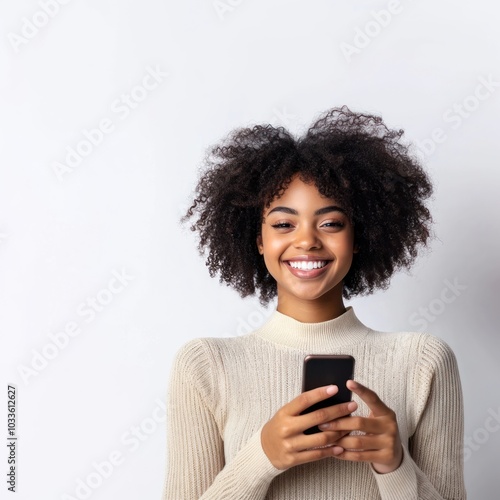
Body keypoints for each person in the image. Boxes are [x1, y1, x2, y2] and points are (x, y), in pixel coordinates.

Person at [162, 106, 466, 499]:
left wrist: (396, 466)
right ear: (258, 240)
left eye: (330, 223)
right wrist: (261, 456)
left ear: (359, 237)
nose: (307, 241)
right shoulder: (204, 365)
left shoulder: (424, 361)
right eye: (284, 224)